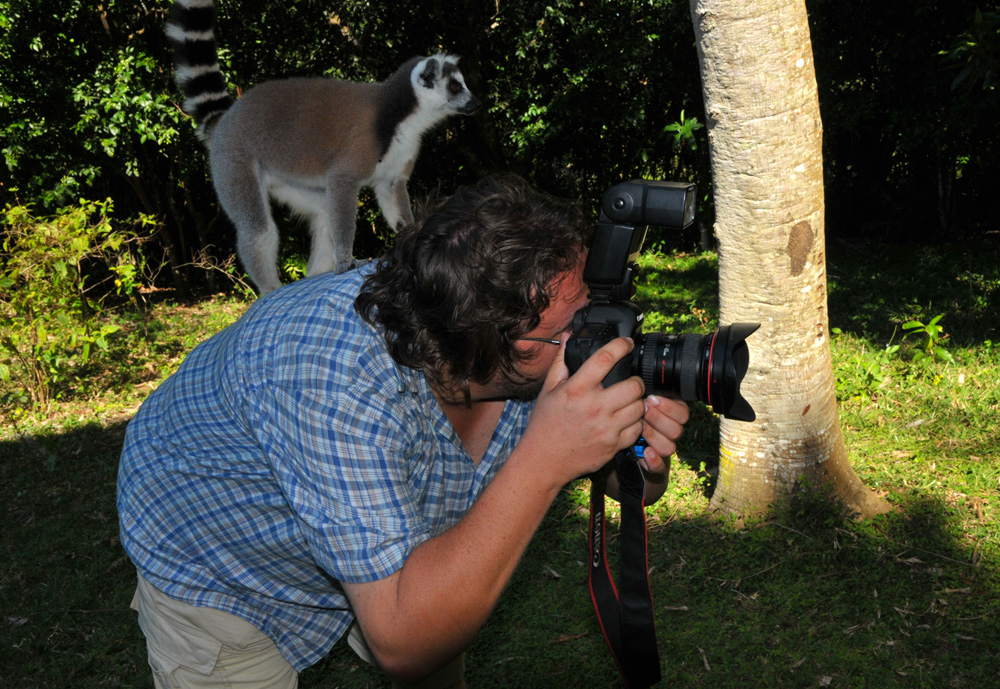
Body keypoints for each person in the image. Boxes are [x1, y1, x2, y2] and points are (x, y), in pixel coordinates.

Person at [117, 174, 690, 688]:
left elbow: (624, 484)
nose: (593, 340)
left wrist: (639, 458)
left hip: (394, 534)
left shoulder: (512, 343)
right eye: (571, 330)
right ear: (481, 345)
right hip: (218, 558)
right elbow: (406, 643)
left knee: (439, 610)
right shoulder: (331, 376)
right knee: (415, 624)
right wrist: (543, 460)